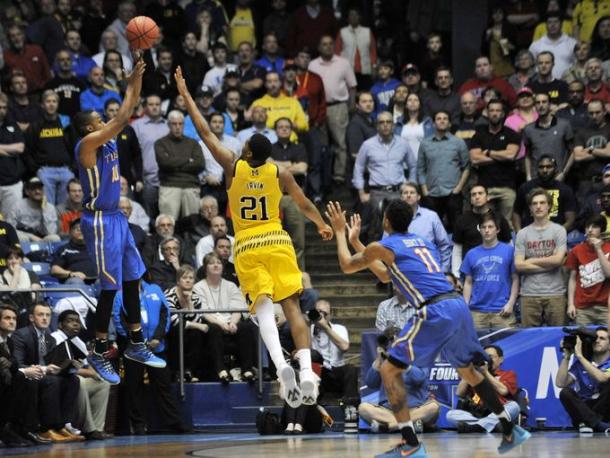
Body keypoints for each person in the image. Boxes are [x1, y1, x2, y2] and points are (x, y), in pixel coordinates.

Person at [175, 66, 333, 408]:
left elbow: (204, 132)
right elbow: (304, 203)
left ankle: (280, 367)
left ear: (247, 153)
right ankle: (306, 371)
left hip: (247, 244)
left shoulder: (233, 165)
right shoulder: (280, 172)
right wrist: (321, 224)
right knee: (292, 307)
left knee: (262, 311)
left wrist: (186, 95)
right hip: (277, 240)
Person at [325, 199, 530, 457]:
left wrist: (341, 232)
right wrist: (357, 242)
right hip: (457, 305)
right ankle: (511, 429)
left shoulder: (384, 244)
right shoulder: (423, 242)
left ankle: (411, 445)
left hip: (434, 309)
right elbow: (386, 275)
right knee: (470, 372)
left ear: (385, 222)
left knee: (388, 370)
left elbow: (346, 265)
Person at [72, 57, 165, 385]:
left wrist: (135, 81)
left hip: (116, 219)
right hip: (98, 221)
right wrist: (130, 85)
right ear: (88, 127)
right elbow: (124, 114)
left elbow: (128, 109)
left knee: (132, 279)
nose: (104, 119)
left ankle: (136, 343)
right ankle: (98, 349)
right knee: (109, 288)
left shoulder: (107, 137)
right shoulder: (88, 144)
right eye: (98, 118)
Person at [113, 279, 188, 435]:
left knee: (163, 386)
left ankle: (174, 422)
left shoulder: (155, 289)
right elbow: (118, 318)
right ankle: (138, 425)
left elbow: (164, 313)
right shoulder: (120, 294)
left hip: (156, 347)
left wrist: (158, 337)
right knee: (134, 387)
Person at [10, 302, 82, 442]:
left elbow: (53, 363)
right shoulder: (21, 335)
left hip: (45, 375)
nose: (45, 318)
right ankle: (46, 428)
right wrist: (45, 369)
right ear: (31, 318)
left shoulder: (49, 337)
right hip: (27, 375)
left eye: (48, 315)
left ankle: (62, 425)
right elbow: (18, 364)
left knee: (73, 380)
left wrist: (69, 366)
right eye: (40, 314)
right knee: (52, 381)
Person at [193, 252, 258, 383]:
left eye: (218, 263)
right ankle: (221, 370)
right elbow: (203, 312)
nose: (216, 266)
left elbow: (238, 309)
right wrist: (221, 324)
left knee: (246, 327)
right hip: (212, 323)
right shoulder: (198, 287)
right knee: (213, 328)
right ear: (205, 268)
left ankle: (247, 370)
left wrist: (233, 323)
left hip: (230, 322)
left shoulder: (231, 285)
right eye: (211, 263)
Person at [51, 310, 110, 441]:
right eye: (70, 321)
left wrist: (93, 373)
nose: (75, 324)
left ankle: (98, 428)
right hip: (60, 380)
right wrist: (90, 373)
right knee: (79, 381)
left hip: (75, 379)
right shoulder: (55, 338)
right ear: (60, 325)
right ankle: (89, 429)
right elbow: (60, 367)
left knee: (103, 383)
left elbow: (87, 366)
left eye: (77, 321)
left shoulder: (79, 342)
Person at [515, 188, 568, 327]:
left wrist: (531, 261)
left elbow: (558, 261)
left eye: (542, 202)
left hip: (556, 293)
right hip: (529, 294)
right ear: (530, 208)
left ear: (549, 205)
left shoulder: (559, 230)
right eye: (534, 203)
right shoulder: (522, 234)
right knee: (529, 341)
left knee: (559, 340)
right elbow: (519, 265)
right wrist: (550, 263)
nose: (538, 206)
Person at [309, 34, 357, 184]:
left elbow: (352, 86)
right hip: (318, 108)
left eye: (331, 43)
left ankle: (339, 175)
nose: (328, 46)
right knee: (322, 144)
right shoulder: (313, 65)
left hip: (338, 106)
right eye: (324, 44)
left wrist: (352, 105)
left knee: (340, 143)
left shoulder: (343, 63)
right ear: (319, 47)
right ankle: (325, 174)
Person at [0, 304, 50, 447]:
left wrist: (9, 364)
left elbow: (14, 364)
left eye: (14, 318)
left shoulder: (8, 340)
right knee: (20, 379)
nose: (12, 321)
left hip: (6, 380)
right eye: (7, 318)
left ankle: (20, 429)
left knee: (27, 380)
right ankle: (8, 429)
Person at [461, 213, 518, 329]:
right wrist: (465, 306)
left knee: (508, 346)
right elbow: (468, 282)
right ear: (480, 230)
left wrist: (511, 304)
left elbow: (515, 279)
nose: (486, 230)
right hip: (476, 312)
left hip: (502, 310)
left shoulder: (509, 251)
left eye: (490, 227)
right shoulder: (471, 254)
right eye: (483, 227)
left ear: (497, 230)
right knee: (476, 347)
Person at [416, 110, 470, 233]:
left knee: (457, 229)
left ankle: (456, 252)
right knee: (430, 230)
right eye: (438, 118)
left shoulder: (458, 142)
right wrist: (424, 190)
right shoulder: (425, 143)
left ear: (449, 123)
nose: (442, 120)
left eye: (445, 118)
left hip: (453, 192)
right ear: (434, 123)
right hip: (431, 194)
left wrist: (458, 188)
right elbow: (420, 168)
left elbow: (466, 167)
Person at [469, 100, 521, 225]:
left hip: (507, 188)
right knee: (485, 224)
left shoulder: (511, 134)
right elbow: (475, 158)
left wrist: (489, 153)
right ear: (487, 113)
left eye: (498, 110)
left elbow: (511, 155)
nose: (494, 113)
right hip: (485, 188)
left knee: (507, 224)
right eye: (491, 110)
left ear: (503, 114)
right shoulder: (479, 134)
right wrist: (500, 157)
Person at [446, 345, 520, 433]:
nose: (487, 360)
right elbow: (459, 393)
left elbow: (503, 391)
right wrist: (469, 370)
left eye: (490, 357)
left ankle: (477, 426)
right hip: (478, 414)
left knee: (514, 406)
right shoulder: (474, 375)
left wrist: (486, 373)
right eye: (484, 357)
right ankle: (487, 425)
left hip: (498, 412)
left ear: (501, 359)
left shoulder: (508, 374)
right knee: (450, 414)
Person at [556, 326, 610, 433]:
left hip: (603, 409)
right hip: (584, 408)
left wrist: (580, 356)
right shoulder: (580, 364)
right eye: (595, 338)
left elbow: (602, 378)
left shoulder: (584, 361)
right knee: (565, 392)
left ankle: (590, 423)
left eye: (602, 338)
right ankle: (597, 424)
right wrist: (566, 356)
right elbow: (560, 383)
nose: (597, 340)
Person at [452, 184, 513, 278]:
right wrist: (456, 274)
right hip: (471, 272)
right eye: (474, 194)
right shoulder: (462, 220)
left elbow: (509, 245)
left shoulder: (499, 218)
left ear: (487, 197)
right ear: (471, 200)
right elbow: (457, 249)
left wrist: (510, 270)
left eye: (480, 193)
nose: (477, 197)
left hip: (497, 270)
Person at [24, 90, 74, 206]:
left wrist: (73, 167)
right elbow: (27, 150)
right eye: (48, 101)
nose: (51, 104)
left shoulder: (65, 124)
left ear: (57, 104)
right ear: (42, 104)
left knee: (66, 207)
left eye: (54, 101)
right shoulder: (36, 125)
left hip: (65, 170)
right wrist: (36, 168)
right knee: (47, 207)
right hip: (45, 171)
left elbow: (74, 145)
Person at [155, 110, 205, 221]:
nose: (177, 127)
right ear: (168, 125)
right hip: (169, 186)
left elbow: (200, 164)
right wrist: (188, 159)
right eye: (174, 124)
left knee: (193, 223)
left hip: (191, 187)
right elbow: (164, 163)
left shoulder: (193, 143)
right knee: (168, 222)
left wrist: (174, 162)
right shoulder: (160, 143)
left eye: (180, 124)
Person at [310, 299, 360, 410]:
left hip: (337, 371)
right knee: (312, 356)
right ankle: (314, 402)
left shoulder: (339, 328)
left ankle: (350, 407)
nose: (321, 316)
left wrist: (326, 328)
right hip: (319, 374)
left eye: (324, 313)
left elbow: (345, 347)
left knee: (351, 369)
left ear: (330, 315)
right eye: (318, 312)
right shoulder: (309, 329)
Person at [512, 156, 578, 233]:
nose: (545, 170)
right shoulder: (526, 187)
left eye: (549, 167)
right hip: (530, 235)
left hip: (556, 235)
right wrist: (519, 231)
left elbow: (570, 219)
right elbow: (516, 212)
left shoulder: (565, 190)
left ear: (556, 169)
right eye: (541, 167)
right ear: (536, 169)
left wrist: (557, 233)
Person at [565, 216, 610, 326]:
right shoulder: (577, 250)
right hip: (583, 307)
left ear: (602, 229)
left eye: (594, 227)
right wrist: (571, 304)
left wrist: (598, 249)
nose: (590, 230)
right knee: (582, 340)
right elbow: (572, 279)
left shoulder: (609, 248)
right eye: (587, 227)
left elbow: (608, 273)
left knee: (605, 341)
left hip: (605, 307)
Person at [165, 264, 207, 381]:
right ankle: (177, 372)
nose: (188, 281)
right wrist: (197, 325)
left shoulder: (195, 297)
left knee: (196, 334)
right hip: (171, 331)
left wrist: (189, 302)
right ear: (178, 281)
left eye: (191, 278)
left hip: (188, 330)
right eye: (185, 278)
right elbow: (174, 320)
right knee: (179, 331)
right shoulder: (169, 295)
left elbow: (196, 319)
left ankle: (190, 371)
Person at [400, 182, 451, 272]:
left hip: (430, 271)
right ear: (401, 197)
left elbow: (444, 245)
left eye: (412, 192)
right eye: (405, 193)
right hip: (403, 271)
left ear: (419, 197)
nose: (408, 195)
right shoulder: (394, 217)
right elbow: (385, 248)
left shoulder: (431, 216)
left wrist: (444, 271)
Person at [5, 177, 60, 243]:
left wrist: (45, 210)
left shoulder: (50, 208)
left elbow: (51, 232)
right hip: (25, 238)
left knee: (55, 238)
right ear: (27, 192)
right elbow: (9, 229)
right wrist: (31, 236)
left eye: (40, 188)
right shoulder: (17, 206)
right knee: (22, 238)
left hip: (42, 239)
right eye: (33, 188)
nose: (37, 191)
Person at [528, 13, 577, 80]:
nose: (553, 25)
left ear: (561, 24)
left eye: (556, 22)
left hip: (567, 85)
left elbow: (577, 64)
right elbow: (530, 67)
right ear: (546, 25)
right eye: (549, 22)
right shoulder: (536, 45)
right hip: (542, 85)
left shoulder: (572, 43)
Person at [0, 92, 26, 217]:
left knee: (10, 222)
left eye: (4, 107)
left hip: (12, 183)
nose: (2, 110)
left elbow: (20, 148)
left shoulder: (12, 124)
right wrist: (9, 150)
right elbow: (14, 148)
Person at [50, 219, 97, 285]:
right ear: (70, 232)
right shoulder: (64, 249)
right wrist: (71, 274)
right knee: (77, 282)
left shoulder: (97, 249)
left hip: (97, 281)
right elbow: (54, 270)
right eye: (76, 228)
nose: (80, 230)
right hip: (75, 281)